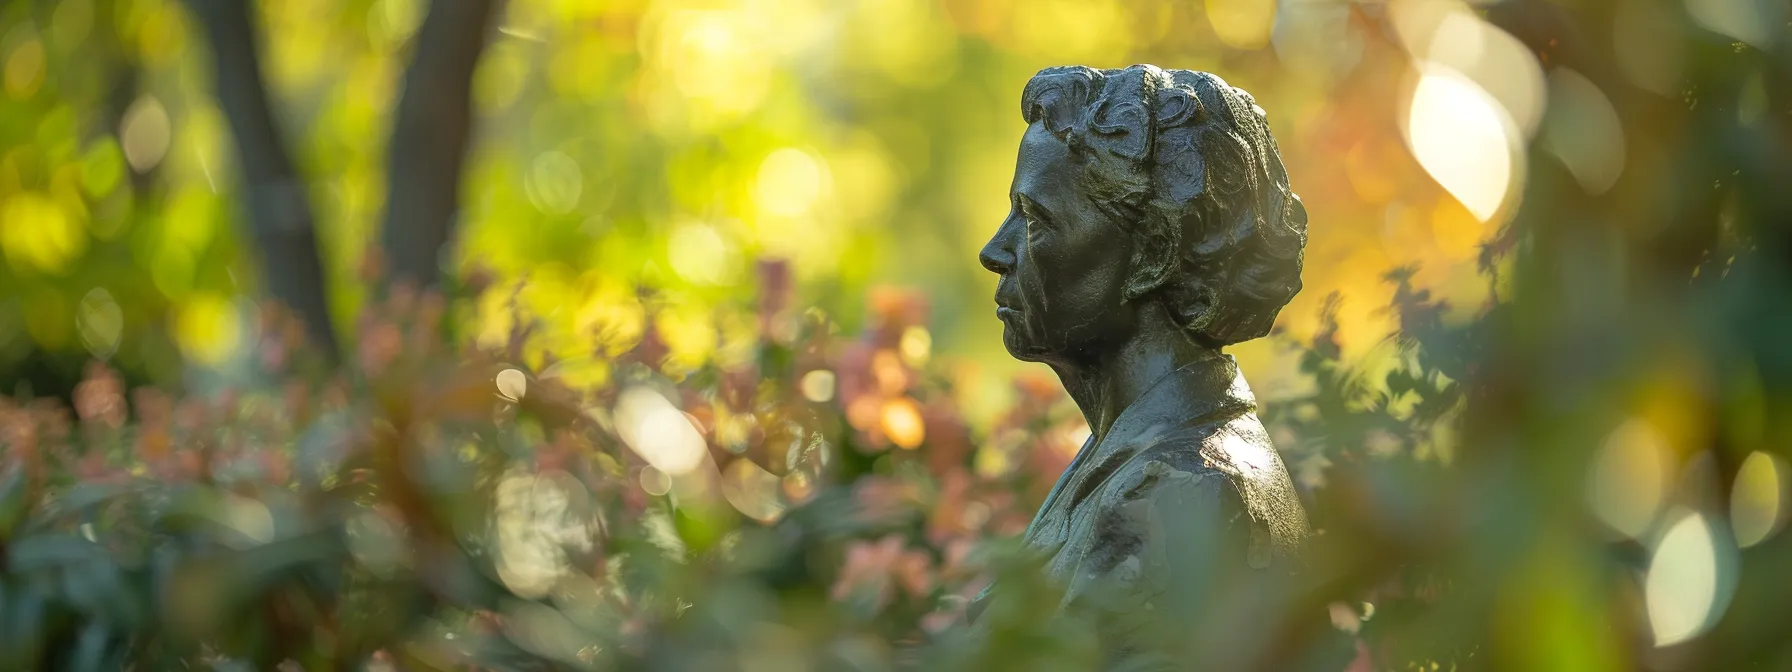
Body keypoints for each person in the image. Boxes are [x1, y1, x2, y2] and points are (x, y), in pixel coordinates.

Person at [966, 64, 1315, 669]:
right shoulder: (1133, 457)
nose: (996, 251)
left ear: (1150, 254)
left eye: (1037, 219)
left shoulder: (1186, 491)